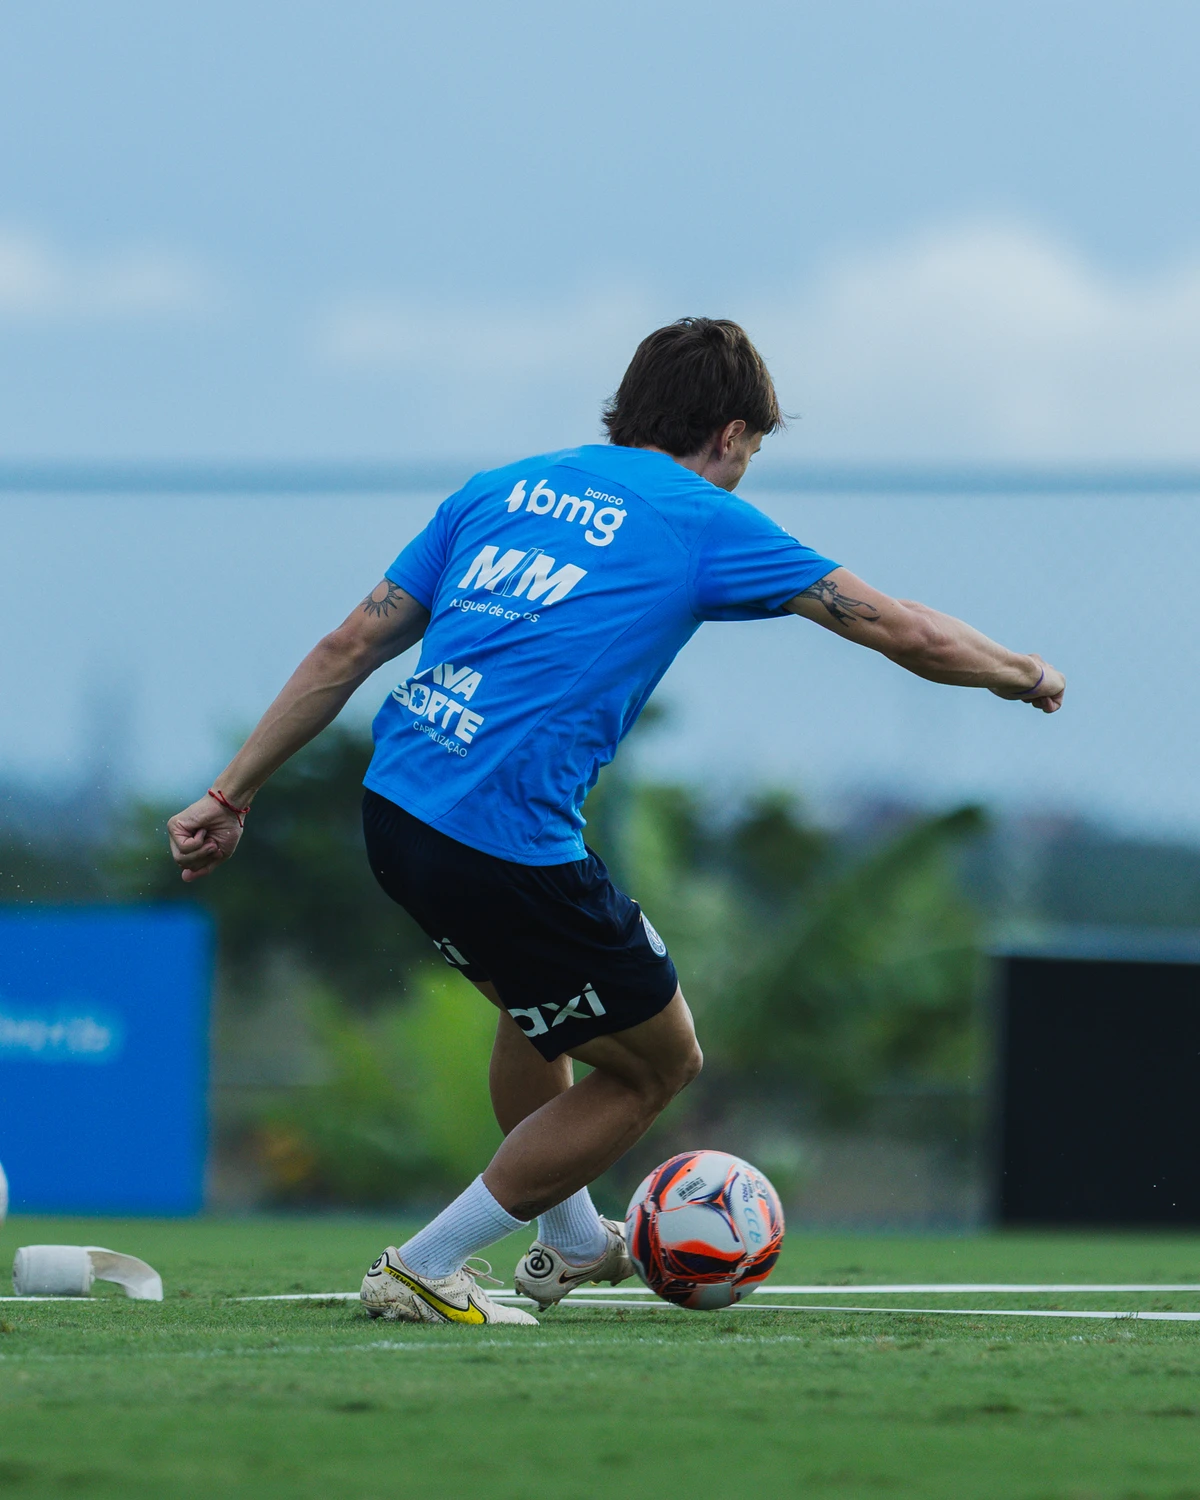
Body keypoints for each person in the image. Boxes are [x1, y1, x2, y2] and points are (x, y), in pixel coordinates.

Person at [168, 318, 1065, 1326]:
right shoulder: (698, 515)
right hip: (499, 835)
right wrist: (1021, 672)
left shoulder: (499, 489)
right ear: (730, 435)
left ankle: (573, 1242)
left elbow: (347, 646)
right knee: (657, 1062)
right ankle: (424, 1263)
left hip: (397, 808)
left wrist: (229, 792)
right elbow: (900, 627)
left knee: (536, 1009)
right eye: (752, 455)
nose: (745, 474)